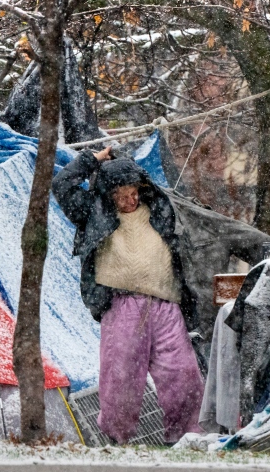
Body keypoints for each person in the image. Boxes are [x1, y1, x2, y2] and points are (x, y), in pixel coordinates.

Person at [53, 145, 203, 444]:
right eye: (121, 195)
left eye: (133, 193)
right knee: (121, 379)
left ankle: (187, 438)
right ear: (108, 195)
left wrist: (121, 159)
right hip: (122, 304)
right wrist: (90, 160)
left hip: (166, 304)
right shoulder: (94, 212)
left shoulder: (160, 209)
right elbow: (62, 185)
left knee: (183, 375)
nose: (129, 200)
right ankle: (117, 440)